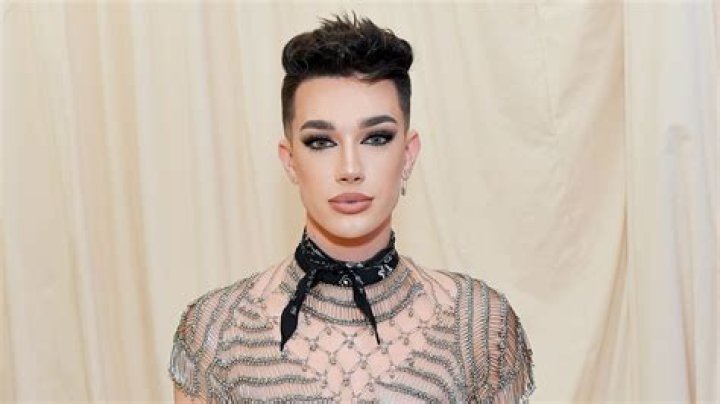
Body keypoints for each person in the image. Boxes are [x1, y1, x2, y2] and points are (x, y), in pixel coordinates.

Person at [169, 13, 535, 403]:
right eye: (320, 141)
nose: (350, 169)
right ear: (290, 161)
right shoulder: (217, 330)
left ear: (408, 155)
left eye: (376, 138)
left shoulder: (479, 325)